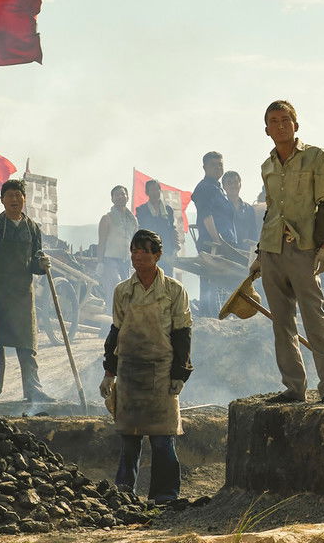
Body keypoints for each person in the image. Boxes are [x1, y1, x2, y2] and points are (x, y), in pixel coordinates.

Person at [251, 100, 324, 404]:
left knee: (314, 318)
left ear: (296, 125)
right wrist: (259, 253)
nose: (280, 125)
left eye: (285, 120)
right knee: (282, 322)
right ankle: (294, 387)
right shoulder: (268, 166)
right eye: (274, 121)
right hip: (272, 250)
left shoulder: (315, 156)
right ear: (266, 129)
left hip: (304, 249)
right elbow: (271, 211)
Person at [100, 229, 192, 504]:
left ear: (158, 255)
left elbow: (183, 333)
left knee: (163, 438)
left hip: (161, 370)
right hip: (129, 370)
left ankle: (165, 495)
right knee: (129, 438)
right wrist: (109, 372)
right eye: (134, 251)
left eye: (144, 251)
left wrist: (179, 373)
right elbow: (115, 332)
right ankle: (124, 492)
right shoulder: (123, 291)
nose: (137, 257)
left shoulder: (174, 291)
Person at [0, 179, 54, 404]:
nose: (13, 199)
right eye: (9, 195)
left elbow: (34, 265)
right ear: (2, 200)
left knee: (27, 344)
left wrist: (42, 265)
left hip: (22, 295)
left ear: (24, 199)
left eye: (17, 195)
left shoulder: (32, 228)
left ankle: (33, 390)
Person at [192, 152, 237, 309]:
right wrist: (217, 241)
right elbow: (206, 216)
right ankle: (209, 313)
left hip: (224, 243)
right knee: (211, 280)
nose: (218, 167)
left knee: (220, 281)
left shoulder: (218, 188)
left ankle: (216, 312)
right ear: (204, 167)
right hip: (212, 243)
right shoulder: (205, 188)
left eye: (220, 164)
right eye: (213, 165)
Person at [98, 185, 139, 299]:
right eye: (116, 195)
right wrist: (100, 263)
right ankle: (110, 314)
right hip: (110, 260)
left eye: (122, 194)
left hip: (126, 261)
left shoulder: (133, 220)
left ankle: (123, 315)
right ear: (112, 199)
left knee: (127, 290)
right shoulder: (107, 218)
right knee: (115, 286)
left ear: (127, 197)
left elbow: (134, 242)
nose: (120, 197)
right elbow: (101, 242)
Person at [135, 179, 182, 273]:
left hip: (166, 249)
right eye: (152, 189)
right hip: (149, 251)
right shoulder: (141, 210)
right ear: (147, 192)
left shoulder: (168, 209)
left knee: (167, 278)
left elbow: (172, 229)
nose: (155, 192)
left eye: (157, 189)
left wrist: (175, 247)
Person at [222, 171, 260, 251]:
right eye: (229, 183)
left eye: (236, 182)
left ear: (240, 184)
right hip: (226, 251)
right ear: (224, 186)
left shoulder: (249, 209)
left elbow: (254, 234)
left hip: (245, 252)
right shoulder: (221, 207)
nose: (233, 186)